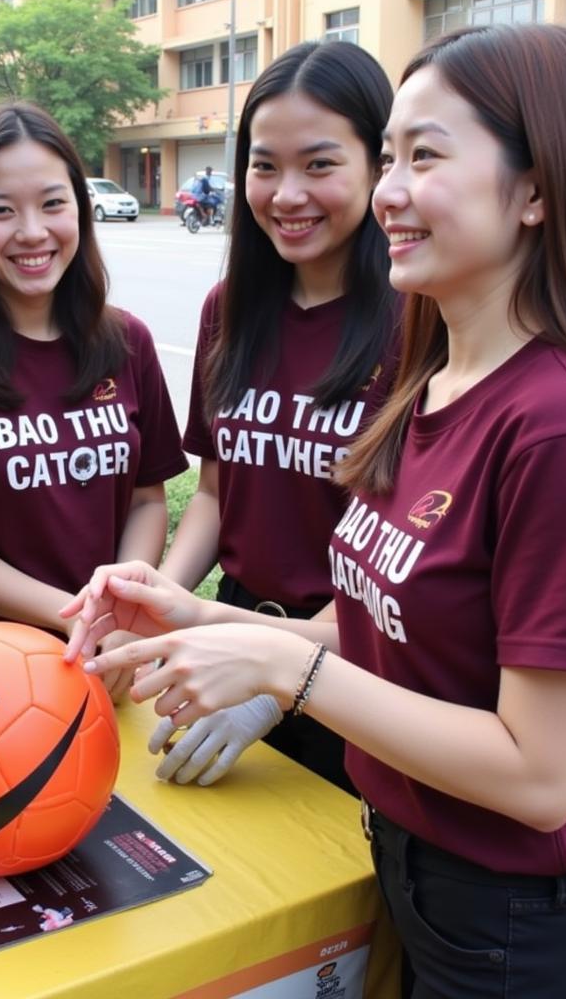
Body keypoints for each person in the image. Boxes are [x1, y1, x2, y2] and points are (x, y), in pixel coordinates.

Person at [64, 23, 566, 998]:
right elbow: (397, 632)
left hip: (527, 920)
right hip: (415, 860)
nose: (389, 191)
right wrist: (193, 612)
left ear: (536, 189)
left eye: (425, 156)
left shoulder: (560, 426)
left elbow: (544, 779)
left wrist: (287, 666)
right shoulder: (438, 383)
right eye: (391, 157)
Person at [157, 41, 398, 789]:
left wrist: (277, 680)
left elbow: (408, 563)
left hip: (361, 664)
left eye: (320, 164)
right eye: (265, 166)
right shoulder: (227, 311)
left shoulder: (420, 323)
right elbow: (214, 493)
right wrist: (162, 598)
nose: (287, 194)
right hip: (232, 635)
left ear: (378, 166)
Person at [0, 102, 187, 702]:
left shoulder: (127, 340)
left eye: (53, 204)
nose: (32, 232)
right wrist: (77, 619)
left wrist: (119, 607)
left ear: (80, 211)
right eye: (1, 211)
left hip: (111, 663)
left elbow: (146, 499)